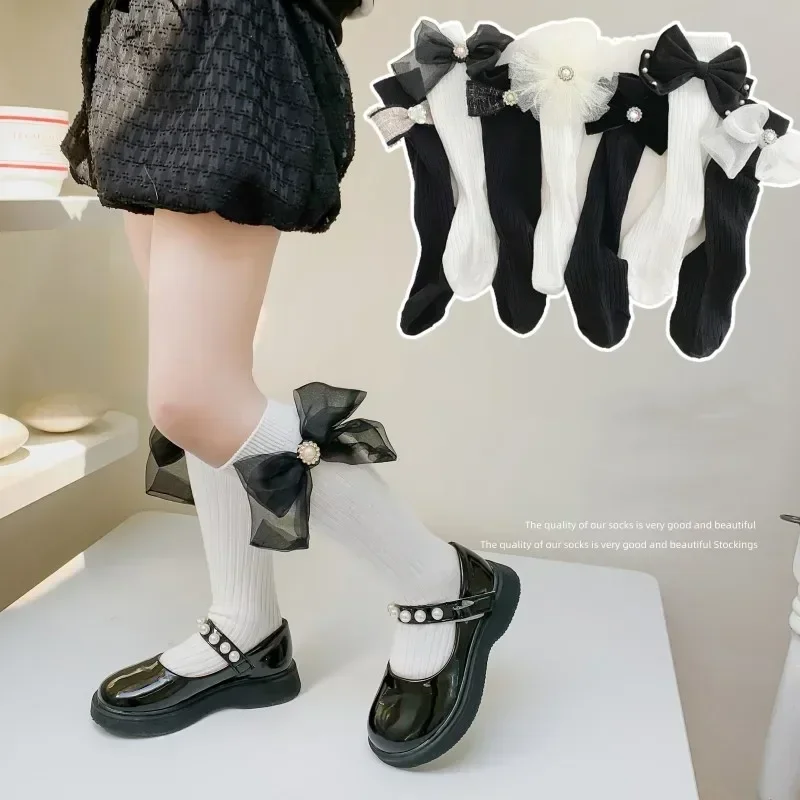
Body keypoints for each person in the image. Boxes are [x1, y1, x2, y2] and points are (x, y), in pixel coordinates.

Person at [61, 0, 520, 768]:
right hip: (143, 25)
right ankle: (247, 627)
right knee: (201, 377)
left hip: (223, 24)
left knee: (194, 397)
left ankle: (443, 580)